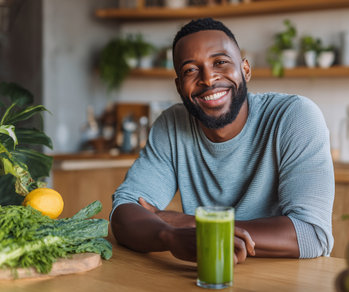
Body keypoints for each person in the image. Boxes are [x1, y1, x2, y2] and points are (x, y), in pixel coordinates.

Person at [110, 18, 335, 263]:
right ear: (178, 86)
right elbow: (124, 211)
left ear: (245, 70)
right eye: (190, 70)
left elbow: (312, 234)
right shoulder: (172, 124)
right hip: (204, 274)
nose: (207, 78)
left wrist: (193, 223)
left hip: (284, 278)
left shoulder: (294, 116)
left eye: (220, 62)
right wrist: (170, 236)